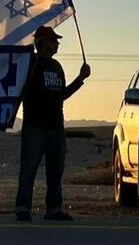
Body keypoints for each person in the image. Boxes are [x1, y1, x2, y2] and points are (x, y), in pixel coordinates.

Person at [14, 25, 91, 222]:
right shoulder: (31, 65)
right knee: (29, 169)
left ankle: (54, 208)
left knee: (56, 171)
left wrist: (80, 79)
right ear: (42, 43)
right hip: (34, 126)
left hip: (56, 127)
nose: (57, 44)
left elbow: (61, 95)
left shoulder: (57, 66)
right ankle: (23, 207)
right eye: (53, 40)